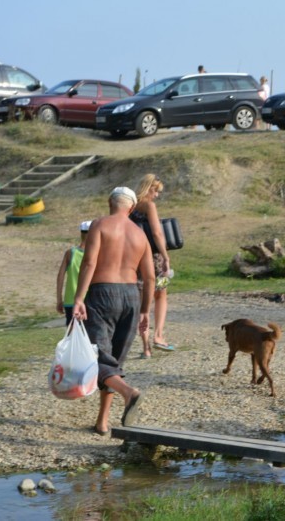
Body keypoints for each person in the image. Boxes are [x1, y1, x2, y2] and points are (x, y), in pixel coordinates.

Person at [73, 187, 154, 435]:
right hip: (131, 295)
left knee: (99, 358)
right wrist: (144, 311)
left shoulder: (100, 224)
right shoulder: (140, 235)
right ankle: (102, 422)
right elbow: (150, 277)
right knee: (114, 362)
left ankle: (129, 393)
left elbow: (89, 263)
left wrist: (78, 298)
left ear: (111, 202)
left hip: (102, 293)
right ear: (131, 207)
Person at [130, 174, 174, 356]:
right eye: (155, 191)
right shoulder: (149, 206)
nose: (156, 195)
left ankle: (145, 347)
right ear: (148, 187)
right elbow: (157, 233)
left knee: (142, 302)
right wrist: (165, 257)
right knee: (161, 294)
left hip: (135, 258)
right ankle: (158, 336)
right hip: (154, 258)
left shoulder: (129, 206)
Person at [56, 220, 91, 326]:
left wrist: (59, 299)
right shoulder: (96, 254)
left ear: (81, 233)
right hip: (91, 300)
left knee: (72, 333)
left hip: (71, 300)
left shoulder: (70, 253)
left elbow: (60, 276)